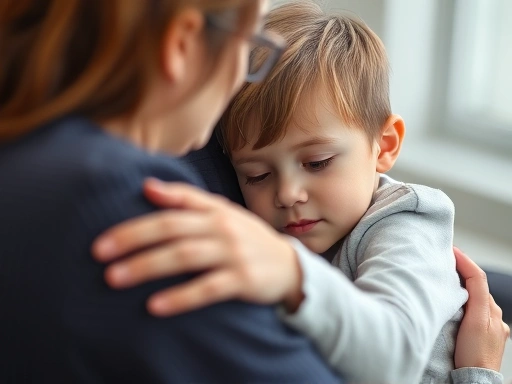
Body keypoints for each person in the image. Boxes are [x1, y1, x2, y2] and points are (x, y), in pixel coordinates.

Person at [0, 0, 508, 383]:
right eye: (256, 175)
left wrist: (290, 272)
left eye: (317, 162)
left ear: (385, 145)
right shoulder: (111, 192)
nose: (288, 193)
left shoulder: (405, 222)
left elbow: (394, 355)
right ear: (182, 42)